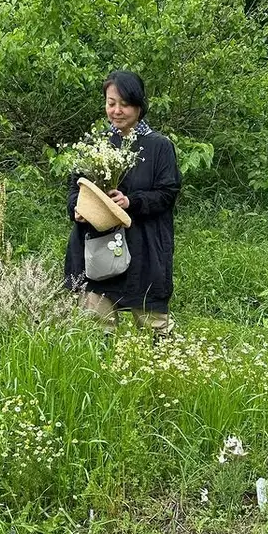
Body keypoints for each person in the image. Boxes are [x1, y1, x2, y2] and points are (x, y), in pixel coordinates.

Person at [64, 70, 181, 337]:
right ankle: (103, 362)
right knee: (98, 327)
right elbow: (75, 187)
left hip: (144, 246)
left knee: (154, 325)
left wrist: (131, 201)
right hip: (97, 246)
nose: (116, 111)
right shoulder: (97, 144)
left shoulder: (159, 146)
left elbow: (167, 193)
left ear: (139, 105)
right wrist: (77, 208)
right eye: (111, 103)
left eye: (125, 104)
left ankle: (163, 362)